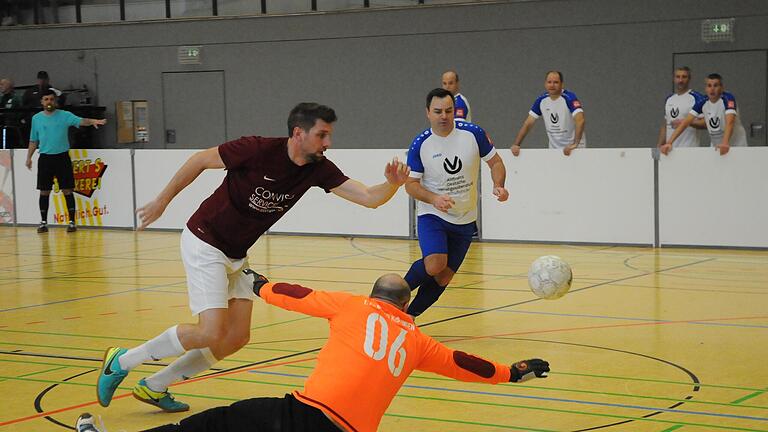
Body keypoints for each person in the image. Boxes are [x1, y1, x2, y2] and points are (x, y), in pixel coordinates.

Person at [96, 102, 410, 413]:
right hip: (204, 240)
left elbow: (369, 198)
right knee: (209, 331)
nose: (328, 143)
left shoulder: (319, 169)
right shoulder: (256, 149)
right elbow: (200, 160)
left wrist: (392, 185)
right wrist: (162, 201)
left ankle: (155, 386)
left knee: (235, 337)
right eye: (322, 135)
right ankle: (121, 361)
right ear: (298, 133)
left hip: (236, 254)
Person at [78, 272, 550, 432]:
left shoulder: (351, 306)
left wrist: (258, 286)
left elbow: (297, 295)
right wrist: (514, 371)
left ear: (373, 295)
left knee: (214, 424)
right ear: (406, 306)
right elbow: (465, 365)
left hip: (303, 416)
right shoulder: (417, 339)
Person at [403, 88, 508, 317]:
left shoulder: (473, 134)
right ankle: (387, 298)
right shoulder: (421, 144)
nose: (444, 116)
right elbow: (410, 185)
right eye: (438, 111)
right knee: (434, 264)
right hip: (433, 215)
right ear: (428, 113)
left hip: (465, 218)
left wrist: (498, 185)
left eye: (448, 111)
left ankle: (408, 317)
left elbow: (496, 162)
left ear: (455, 111)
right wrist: (434, 198)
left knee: (444, 276)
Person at [24, 89, 106, 233]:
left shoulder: (64, 116)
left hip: (62, 158)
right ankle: (43, 222)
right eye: (46, 99)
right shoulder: (36, 119)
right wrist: (29, 157)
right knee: (44, 191)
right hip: (45, 159)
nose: (49, 102)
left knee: (67, 190)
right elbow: (33, 140)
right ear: (42, 102)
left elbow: (80, 121)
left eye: (51, 99)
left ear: (55, 101)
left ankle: (72, 222)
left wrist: (93, 121)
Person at [664, 73, 747, 156]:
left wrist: (725, 143)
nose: (712, 89)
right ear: (706, 88)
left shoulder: (728, 98)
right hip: (716, 146)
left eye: (715, 85)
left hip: (736, 145)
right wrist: (669, 142)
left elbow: (730, 122)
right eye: (709, 86)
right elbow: (685, 122)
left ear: (722, 88)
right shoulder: (703, 101)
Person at [510, 70, 586, 156]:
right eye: (549, 82)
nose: (552, 85)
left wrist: (575, 144)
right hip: (554, 150)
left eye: (556, 82)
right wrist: (516, 144)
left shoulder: (569, 98)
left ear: (562, 84)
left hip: (574, 150)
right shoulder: (541, 100)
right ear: (545, 84)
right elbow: (528, 123)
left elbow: (580, 120)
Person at [656, 67, 706, 152]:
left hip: (689, 150)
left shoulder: (697, 98)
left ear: (689, 79)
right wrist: (659, 145)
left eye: (684, 77)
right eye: (678, 77)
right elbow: (666, 124)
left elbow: (705, 123)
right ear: (674, 79)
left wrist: (686, 122)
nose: (680, 80)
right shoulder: (669, 99)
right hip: (669, 150)